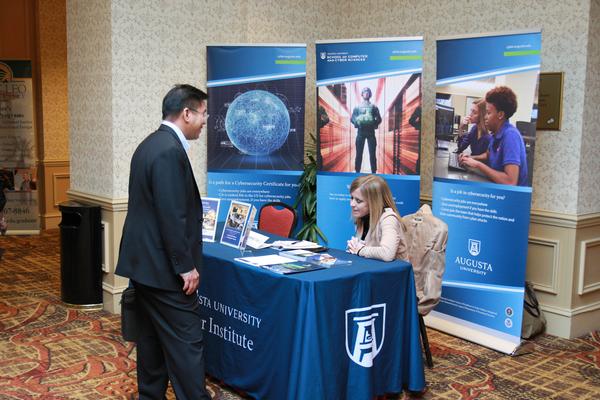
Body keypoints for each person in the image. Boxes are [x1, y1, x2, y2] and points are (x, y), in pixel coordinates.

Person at [115, 84, 210, 400]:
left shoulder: (149, 144)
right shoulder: (169, 150)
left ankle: (150, 395)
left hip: (144, 266)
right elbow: (171, 216)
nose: (205, 120)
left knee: (152, 341)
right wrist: (185, 267)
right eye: (203, 113)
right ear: (187, 113)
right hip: (166, 271)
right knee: (186, 345)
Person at [459, 86, 529, 186]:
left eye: (488, 113)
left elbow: (510, 181)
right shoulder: (496, 134)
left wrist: (478, 165)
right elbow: (488, 155)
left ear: (500, 115)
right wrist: (470, 158)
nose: (485, 117)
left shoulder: (510, 136)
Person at [346, 174, 408, 262]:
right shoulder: (363, 217)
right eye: (352, 198)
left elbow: (387, 254)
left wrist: (360, 249)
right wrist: (354, 247)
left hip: (393, 274)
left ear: (374, 202)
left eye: (358, 201)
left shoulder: (389, 219)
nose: (352, 204)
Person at [351, 87, 382, 173]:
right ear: (362, 94)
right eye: (365, 92)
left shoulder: (374, 107)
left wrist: (373, 123)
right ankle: (357, 171)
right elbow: (352, 118)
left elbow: (379, 119)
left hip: (370, 133)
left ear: (370, 94)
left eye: (368, 92)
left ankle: (374, 172)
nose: (366, 93)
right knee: (359, 154)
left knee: (372, 154)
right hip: (361, 132)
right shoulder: (357, 107)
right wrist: (357, 123)